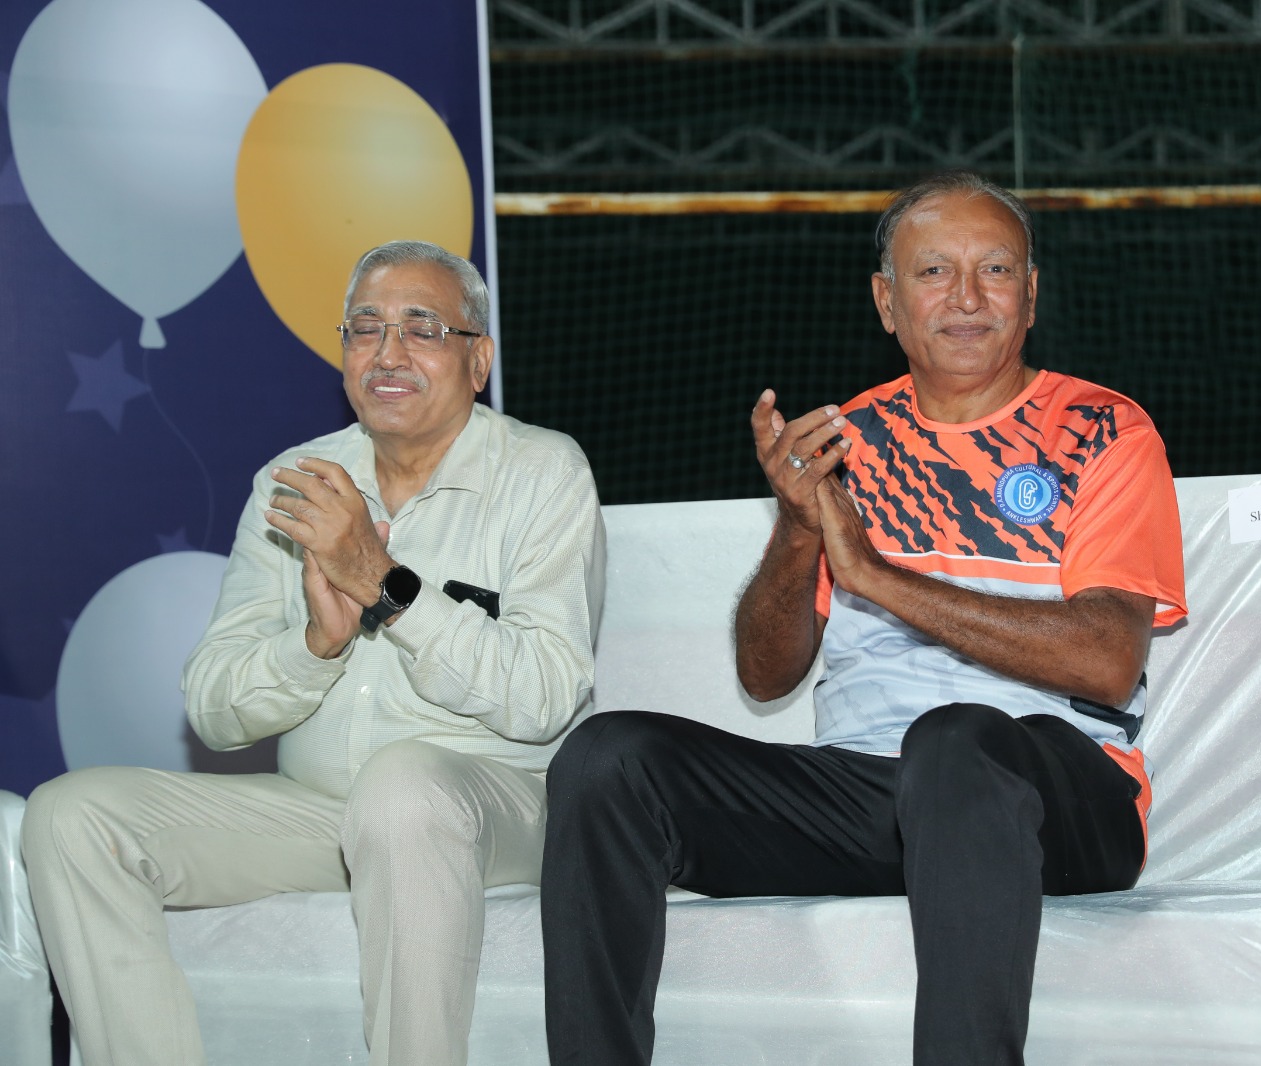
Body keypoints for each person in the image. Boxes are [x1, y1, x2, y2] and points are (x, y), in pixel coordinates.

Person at [540, 171, 1187, 1065]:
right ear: (887, 302)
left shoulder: (1102, 430)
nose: (967, 298)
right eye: (934, 272)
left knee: (955, 740)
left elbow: (1108, 660)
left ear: (1032, 295)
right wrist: (799, 528)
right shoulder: (848, 443)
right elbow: (766, 674)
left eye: (996, 270)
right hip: (873, 795)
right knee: (606, 758)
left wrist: (879, 578)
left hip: (1058, 798)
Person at [22, 240, 605, 1066]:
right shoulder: (294, 485)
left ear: (479, 361)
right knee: (71, 816)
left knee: (402, 785)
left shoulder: (543, 472)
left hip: (503, 808)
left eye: (422, 329)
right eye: (365, 329)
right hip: (325, 809)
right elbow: (214, 709)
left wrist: (388, 589)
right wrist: (315, 647)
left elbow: (545, 697)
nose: (388, 353)